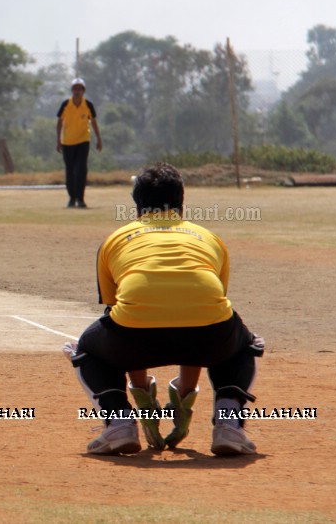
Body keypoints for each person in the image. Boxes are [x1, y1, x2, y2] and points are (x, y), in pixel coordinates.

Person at [64, 162, 264, 456]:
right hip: (208, 336)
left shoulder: (114, 240)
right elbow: (199, 311)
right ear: (182, 204)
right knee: (243, 345)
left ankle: (119, 423)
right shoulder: (210, 239)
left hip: (133, 338)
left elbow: (124, 315)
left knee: (87, 348)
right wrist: (184, 394)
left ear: (136, 208)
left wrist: (143, 396)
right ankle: (229, 427)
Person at [56, 78, 102, 208]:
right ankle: (72, 198)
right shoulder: (66, 104)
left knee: (81, 169)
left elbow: (93, 122)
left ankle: (80, 199)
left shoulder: (88, 105)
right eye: (75, 89)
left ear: (83, 91)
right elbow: (59, 122)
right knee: (70, 170)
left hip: (83, 140)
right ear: (72, 90)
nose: (77, 91)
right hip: (67, 142)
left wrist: (99, 139)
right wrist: (58, 140)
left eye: (79, 89)